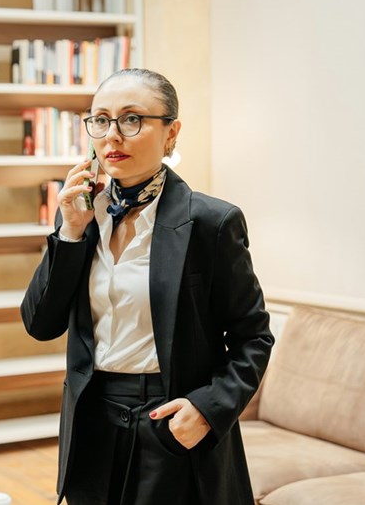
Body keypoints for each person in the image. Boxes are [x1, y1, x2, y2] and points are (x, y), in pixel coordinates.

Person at [21, 68, 273, 505]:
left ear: (171, 134)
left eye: (131, 119)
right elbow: (41, 324)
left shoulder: (212, 223)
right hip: (93, 418)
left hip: (171, 418)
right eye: (100, 120)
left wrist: (208, 410)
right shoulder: (80, 215)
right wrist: (70, 235)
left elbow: (254, 337)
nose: (112, 135)